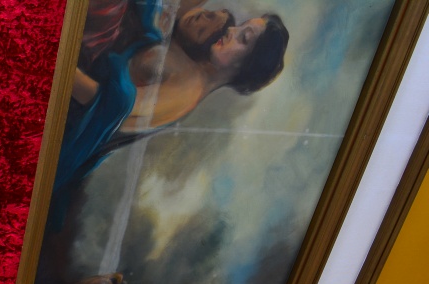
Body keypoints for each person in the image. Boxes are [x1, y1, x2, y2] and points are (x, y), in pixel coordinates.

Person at [54, 0, 288, 222]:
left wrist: (57, 58)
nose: (231, 31)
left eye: (243, 38)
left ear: (244, 67)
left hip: (61, 119)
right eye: (240, 27)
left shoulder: (188, 90)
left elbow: (108, 107)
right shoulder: (194, 65)